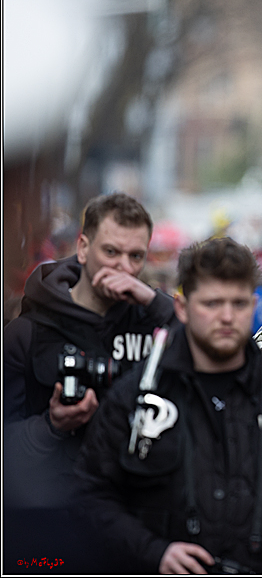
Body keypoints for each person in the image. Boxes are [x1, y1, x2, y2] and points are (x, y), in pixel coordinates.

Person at [75, 237, 262, 573]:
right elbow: (90, 497)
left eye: (238, 304)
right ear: (181, 307)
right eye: (212, 303)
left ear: (254, 305)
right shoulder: (139, 396)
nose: (227, 317)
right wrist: (154, 552)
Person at [3, 193, 175, 572]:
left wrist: (152, 300)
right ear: (83, 248)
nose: (123, 267)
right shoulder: (26, 334)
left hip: (135, 521)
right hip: (51, 522)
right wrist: (50, 427)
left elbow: (217, 358)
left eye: (136, 256)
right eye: (111, 252)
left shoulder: (157, 327)